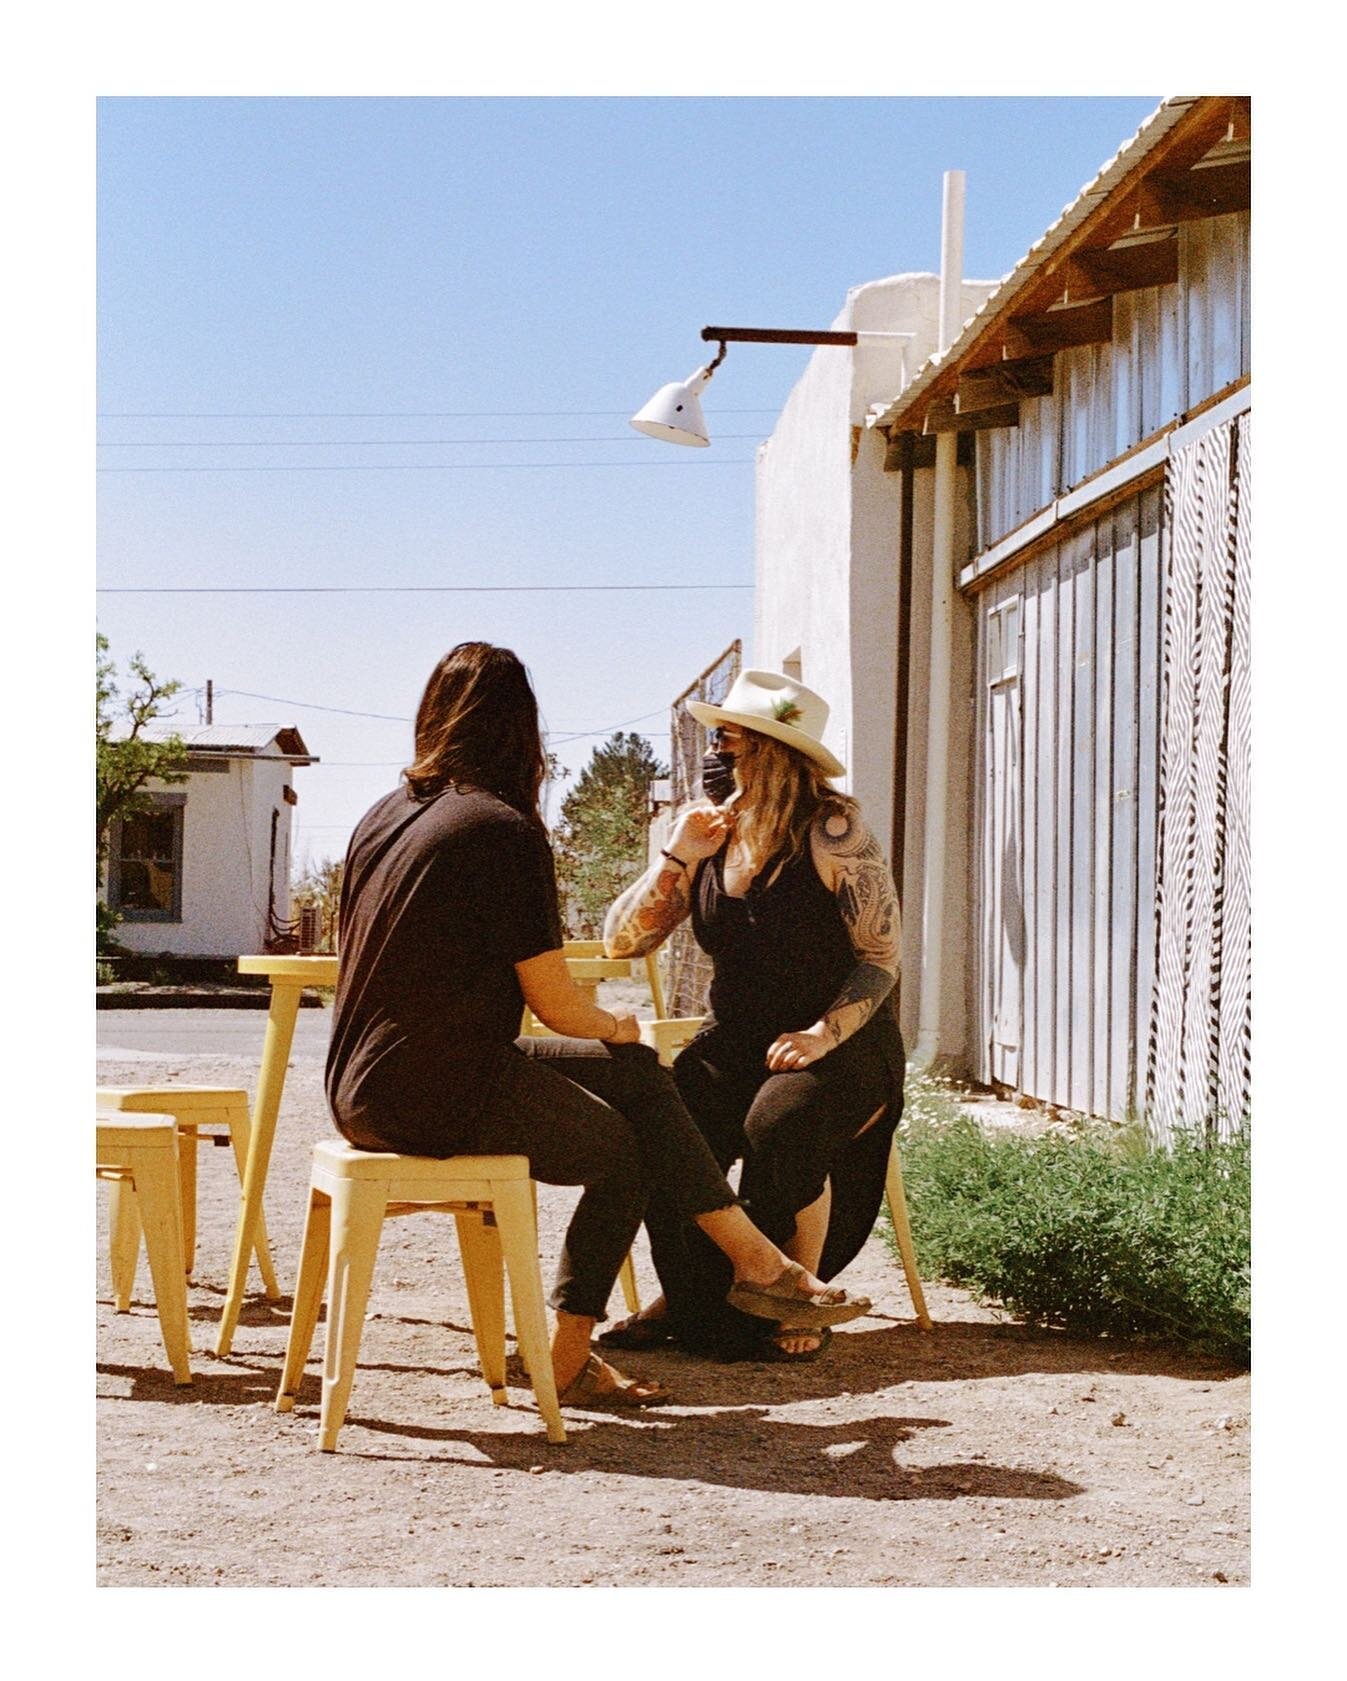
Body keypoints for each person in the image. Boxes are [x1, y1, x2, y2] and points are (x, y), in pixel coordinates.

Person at [325, 643, 870, 1411]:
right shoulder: (499, 828)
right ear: (523, 729)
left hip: (363, 1078)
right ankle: (574, 1355)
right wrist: (618, 1023)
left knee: (639, 1080)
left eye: (732, 740)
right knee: (624, 1145)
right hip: (430, 1088)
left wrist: (621, 1045)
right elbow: (558, 1004)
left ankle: (755, 1264)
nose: (720, 753)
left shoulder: (386, 814)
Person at [601, 668, 904, 1363]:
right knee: (665, 1117)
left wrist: (822, 1033)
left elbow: (879, 959)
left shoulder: (833, 829)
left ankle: (800, 1288)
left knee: (780, 1120)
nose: (717, 754)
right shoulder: (710, 831)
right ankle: (692, 1295)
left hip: (839, 1037)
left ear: (771, 751)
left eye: (729, 740)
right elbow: (623, 940)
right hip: (737, 1038)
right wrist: (677, 855)